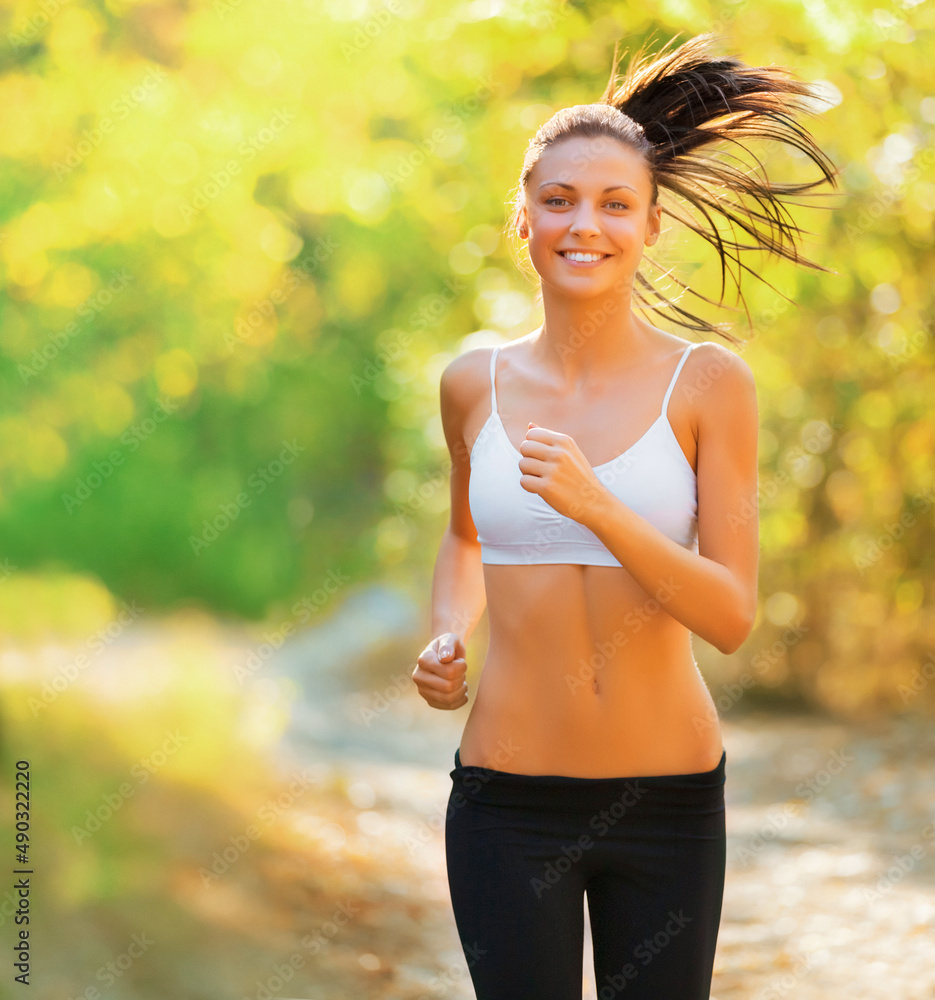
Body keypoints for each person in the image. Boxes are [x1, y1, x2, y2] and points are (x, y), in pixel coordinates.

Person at [412, 31, 836, 1000]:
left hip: (667, 801)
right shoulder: (471, 383)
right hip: (503, 800)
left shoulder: (708, 384)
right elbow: (463, 539)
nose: (582, 225)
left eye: (612, 204)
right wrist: (446, 633)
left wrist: (598, 507)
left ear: (648, 226)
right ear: (520, 219)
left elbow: (729, 616)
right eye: (556, 200)